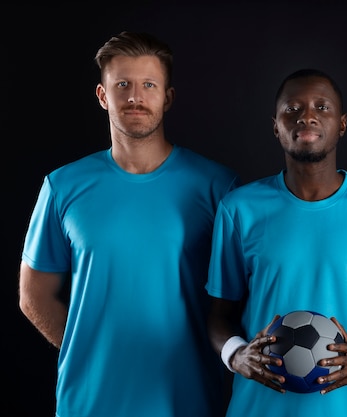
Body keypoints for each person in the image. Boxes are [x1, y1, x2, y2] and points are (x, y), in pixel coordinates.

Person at [18, 31, 240, 417]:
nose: (135, 97)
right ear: (103, 96)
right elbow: (33, 295)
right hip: (88, 403)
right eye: (123, 85)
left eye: (148, 85)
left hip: (185, 400)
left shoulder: (217, 186)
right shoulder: (62, 186)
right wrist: (86, 346)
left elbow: (241, 295)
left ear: (167, 97)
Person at [206, 68, 347, 416]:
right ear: (275, 125)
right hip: (259, 408)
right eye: (292, 109)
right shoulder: (239, 209)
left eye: (322, 107)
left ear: (342, 124)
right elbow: (219, 316)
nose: (307, 115)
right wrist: (236, 354)